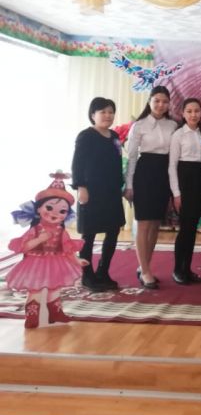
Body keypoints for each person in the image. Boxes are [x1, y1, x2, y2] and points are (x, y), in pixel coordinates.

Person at [7, 172, 84, 328]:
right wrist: (39, 239)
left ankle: (55, 313)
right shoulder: (35, 230)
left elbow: (67, 249)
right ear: (38, 209)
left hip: (56, 263)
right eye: (49, 207)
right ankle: (32, 316)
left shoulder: (61, 232)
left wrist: (77, 260)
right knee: (35, 289)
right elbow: (24, 247)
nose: (55, 213)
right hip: (35, 264)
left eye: (62, 211)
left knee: (54, 289)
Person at [124, 86, 177, 289]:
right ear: (149, 101)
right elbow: (132, 157)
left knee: (155, 223)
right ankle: (146, 271)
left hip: (164, 173)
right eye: (157, 101)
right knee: (144, 223)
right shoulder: (139, 126)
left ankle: (144, 265)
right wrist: (129, 184)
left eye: (165, 101)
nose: (161, 105)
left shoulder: (173, 125)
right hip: (144, 173)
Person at [71, 97, 126, 292]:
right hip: (91, 191)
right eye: (103, 112)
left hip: (111, 191)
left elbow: (118, 162)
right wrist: (81, 187)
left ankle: (104, 272)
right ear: (93, 114)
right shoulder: (86, 136)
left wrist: (121, 185)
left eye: (111, 112)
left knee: (113, 231)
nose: (107, 115)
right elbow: (77, 164)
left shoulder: (114, 136)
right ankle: (87, 275)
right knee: (89, 234)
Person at [168, 98, 201, 285]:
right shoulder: (178, 135)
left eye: (197, 111)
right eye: (189, 111)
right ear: (183, 113)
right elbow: (172, 166)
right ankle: (178, 270)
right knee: (185, 229)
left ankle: (188, 269)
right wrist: (176, 193)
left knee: (192, 229)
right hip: (185, 182)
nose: (193, 115)